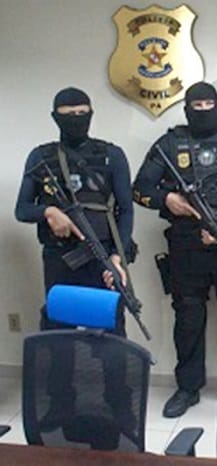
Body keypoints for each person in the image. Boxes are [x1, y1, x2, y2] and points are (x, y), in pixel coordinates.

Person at [132, 81, 217, 418]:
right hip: (186, 247)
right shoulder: (170, 144)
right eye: (197, 106)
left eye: (210, 104)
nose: (204, 111)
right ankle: (188, 387)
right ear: (187, 109)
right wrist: (167, 198)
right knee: (188, 319)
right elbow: (140, 188)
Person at [15, 87, 134, 429]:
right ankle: (59, 403)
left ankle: (120, 404)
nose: (76, 121)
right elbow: (22, 209)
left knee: (112, 332)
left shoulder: (112, 155)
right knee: (58, 333)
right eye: (68, 116)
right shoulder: (41, 157)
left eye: (82, 114)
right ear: (55, 118)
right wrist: (49, 211)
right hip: (60, 259)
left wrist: (118, 257)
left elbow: (125, 210)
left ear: (92, 114)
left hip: (103, 257)